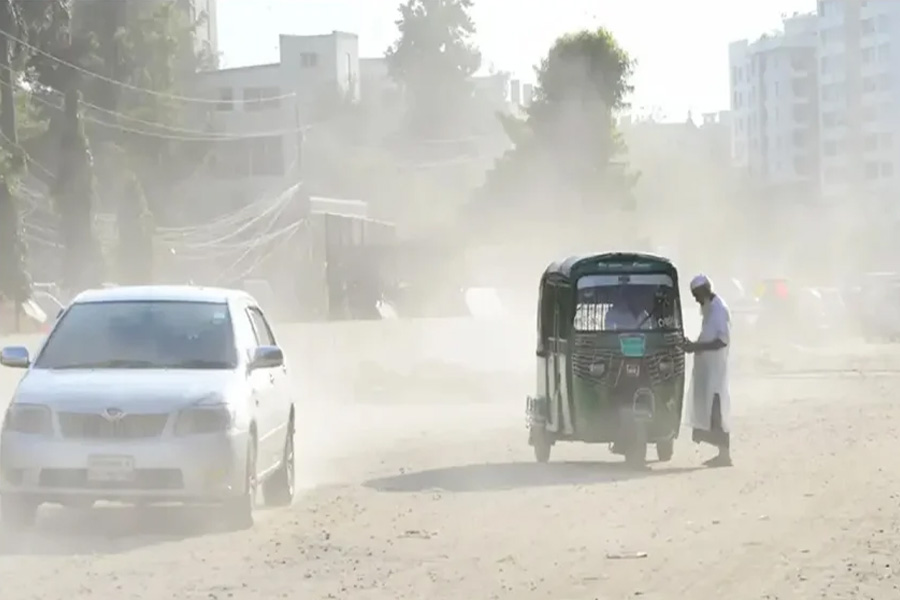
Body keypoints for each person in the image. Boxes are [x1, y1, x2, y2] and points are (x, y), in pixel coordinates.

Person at [683, 274, 732, 467]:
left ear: (704, 291)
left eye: (697, 295)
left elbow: (722, 340)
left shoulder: (719, 310)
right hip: (708, 370)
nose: (696, 300)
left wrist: (696, 347)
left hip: (716, 371)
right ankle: (721, 453)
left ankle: (725, 455)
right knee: (709, 409)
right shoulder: (709, 309)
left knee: (716, 409)